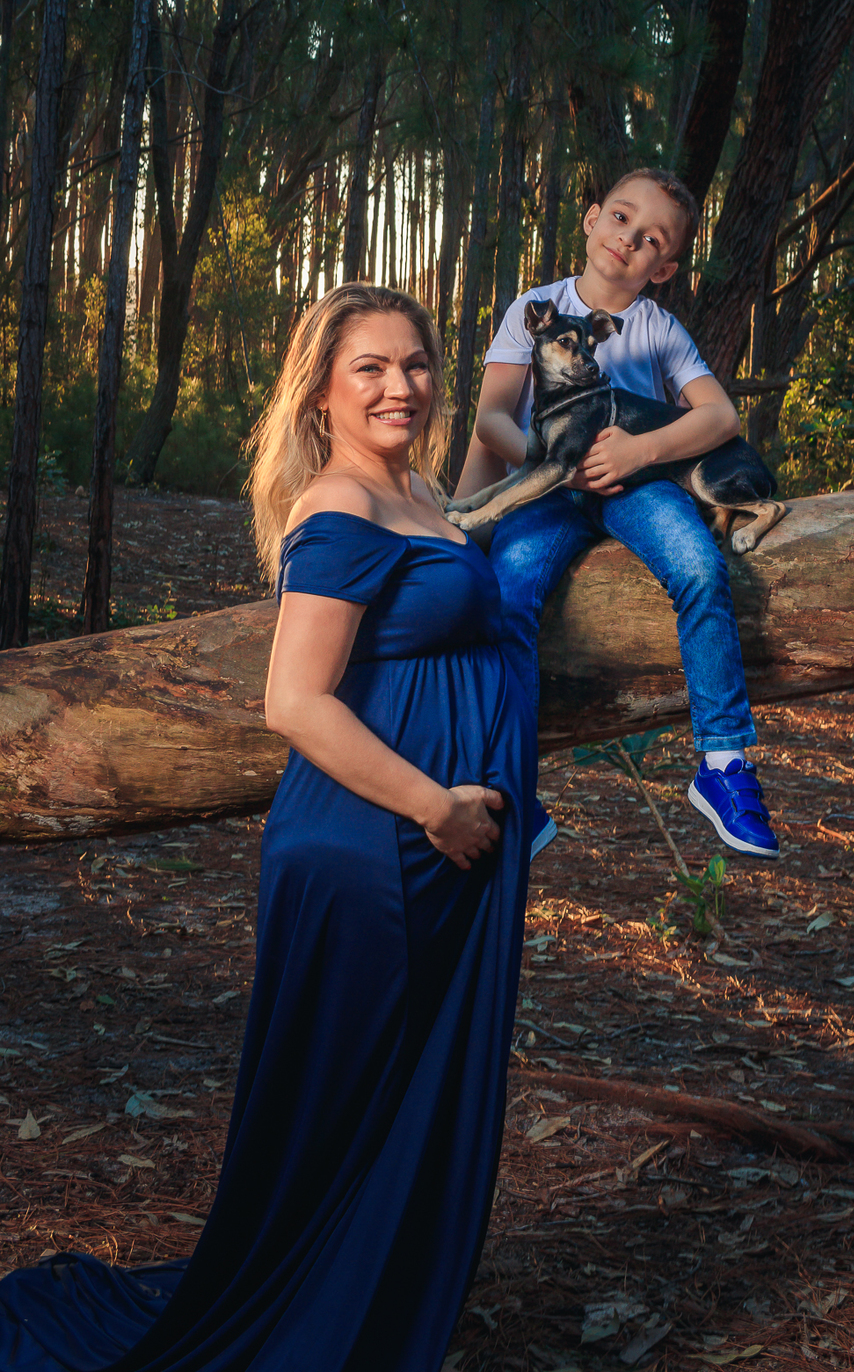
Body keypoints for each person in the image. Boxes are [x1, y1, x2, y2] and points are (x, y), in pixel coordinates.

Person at [0, 284, 536, 1372]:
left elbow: (497, 518)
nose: (401, 385)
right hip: (380, 849)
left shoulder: (420, 490)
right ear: (323, 391)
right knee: (341, 1110)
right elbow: (293, 701)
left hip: (435, 849)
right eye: (371, 368)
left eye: (417, 364)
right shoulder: (339, 508)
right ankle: (307, 1329)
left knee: (391, 1108)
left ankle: (362, 1311)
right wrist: (437, 807)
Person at [453, 166, 778, 861]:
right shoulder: (533, 307)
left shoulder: (659, 329)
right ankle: (513, 781)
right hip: (547, 487)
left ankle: (723, 763)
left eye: (652, 238)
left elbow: (720, 415)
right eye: (622, 219)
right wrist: (550, 465)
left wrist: (637, 454)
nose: (630, 239)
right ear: (593, 217)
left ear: (665, 267)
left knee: (697, 565)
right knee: (509, 593)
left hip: (636, 485)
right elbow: (490, 420)